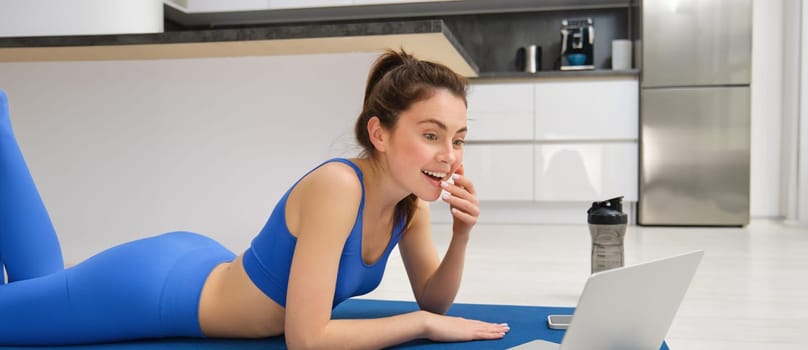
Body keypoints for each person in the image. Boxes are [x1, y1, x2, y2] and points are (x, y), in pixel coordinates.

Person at [0, 50, 510, 349]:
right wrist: (418, 325)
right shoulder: (339, 186)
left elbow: (435, 300)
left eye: (458, 138)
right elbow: (306, 339)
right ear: (379, 133)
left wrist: (461, 236)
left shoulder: (409, 207)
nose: (449, 154)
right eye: (431, 134)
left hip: (205, 263)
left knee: (38, 288)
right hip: (156, 290)